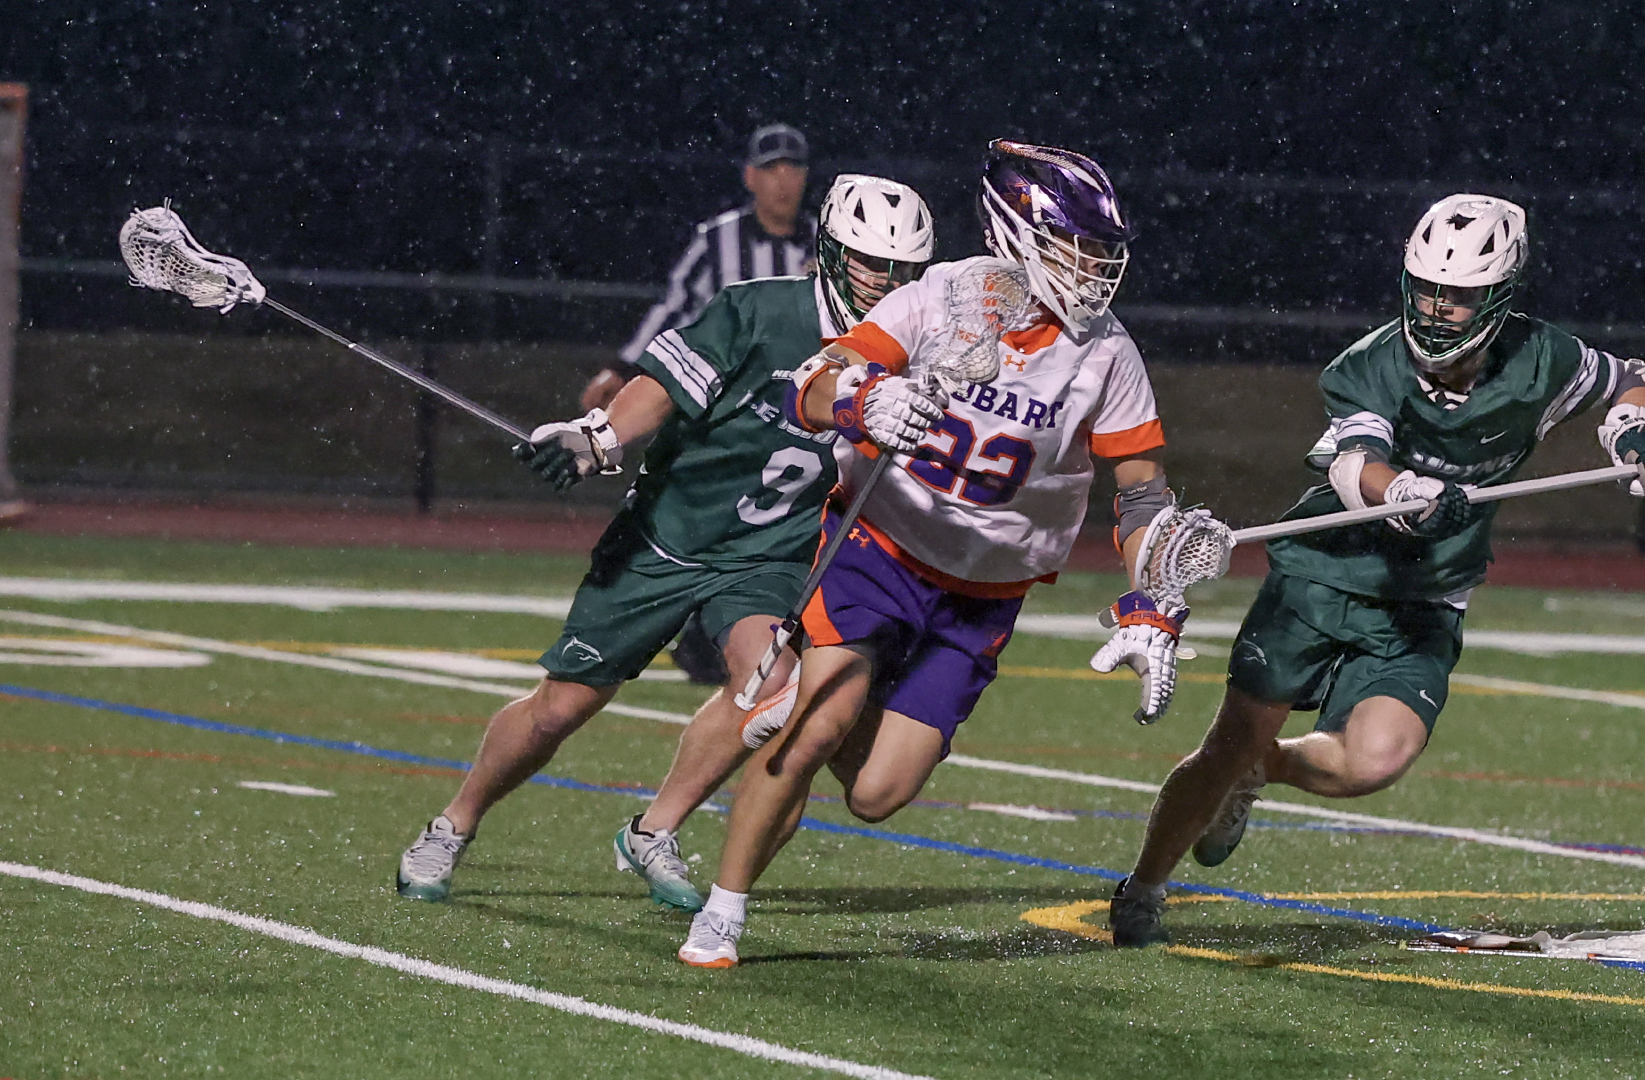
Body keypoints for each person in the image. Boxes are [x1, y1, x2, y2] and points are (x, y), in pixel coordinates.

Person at [1106, 193, 1645, 947]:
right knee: (1227, 744)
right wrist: (1405, 492)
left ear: (1500, 296)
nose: (1440, 308)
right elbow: (1354, 464)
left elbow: (1630, 378)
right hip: (1324, 574)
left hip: (1425, 593)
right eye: (1428, 288)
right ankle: (1145, 885)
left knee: (1371, 762)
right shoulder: (1370, 364)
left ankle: (1266, 771)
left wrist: (1632, 426)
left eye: (1461, 295)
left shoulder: (1544, 356)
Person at [677, 140, 1187, 968]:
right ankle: (724, 912)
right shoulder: (938, 296)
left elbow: (1140, 490)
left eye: (1103, 250)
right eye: (1077, 246)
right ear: (1018, 232)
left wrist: (1153, 599)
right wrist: (862, 404)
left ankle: (809, 701)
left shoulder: (1106, 352)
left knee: (877, 793)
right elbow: (806, 388)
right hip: (879, 546)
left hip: (984, 593)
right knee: (813, 730)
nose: (1094, 267)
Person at [394, 174, 937, 909]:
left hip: (769, 553)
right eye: (873, 263)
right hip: (666, 537)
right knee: (561, 708)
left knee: (771, 686)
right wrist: (600, 436)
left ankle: (654, 829)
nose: (887, 283)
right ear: (832, 254)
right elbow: (663, 384)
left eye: (904, 271)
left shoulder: (914, 349)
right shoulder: (756, 308)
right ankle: (453, 824)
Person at [590, 123, 817, 686]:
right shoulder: (717, 239)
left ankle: (756, 627)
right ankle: (687, 625)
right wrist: (622, 369)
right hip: (720, 403)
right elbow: (673, 307)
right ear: (750, 177)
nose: (783, 182)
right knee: (702, 507)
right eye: (771, 170)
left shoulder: (823, 241)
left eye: (793, 169)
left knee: (787, 521)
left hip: (799, 409)